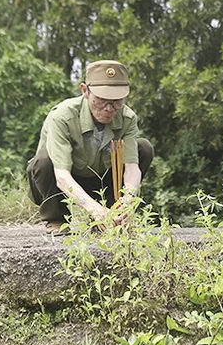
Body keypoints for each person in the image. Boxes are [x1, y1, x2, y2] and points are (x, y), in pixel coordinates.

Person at [27, 60, 154, 231]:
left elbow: (131, 168)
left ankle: (111, 218)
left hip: (101, 180)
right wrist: (94, 208)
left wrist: (128, 200)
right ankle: (56, 219)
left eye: (117, 101)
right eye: (101, 100)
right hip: (61, 181)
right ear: (85, 91)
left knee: (144, 148)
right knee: (44, 160)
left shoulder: (127, 118)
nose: (109, 108)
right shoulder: (63, 116)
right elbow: (61, 176)